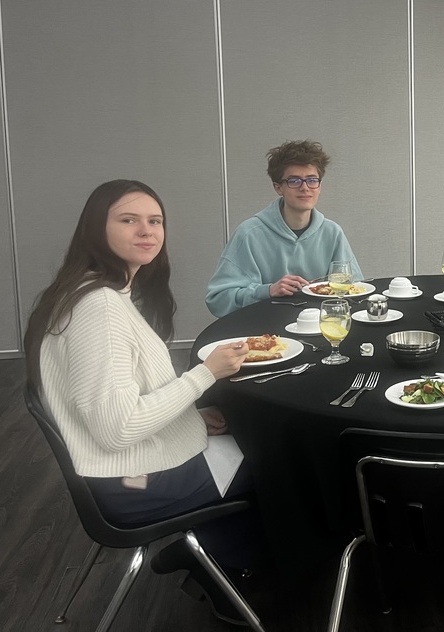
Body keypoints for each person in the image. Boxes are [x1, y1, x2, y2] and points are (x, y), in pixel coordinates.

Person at [24, 179, 260, 625]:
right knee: (279, 461)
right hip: (132, 484)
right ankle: (223, 570)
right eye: (128, 220)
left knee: (240, 438)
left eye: (155, 221)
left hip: (123, 469)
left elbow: (114, 401)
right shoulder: (100, 309)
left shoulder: (89, 291)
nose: (146, 231)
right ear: (97, 228)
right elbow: (117, 428)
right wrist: (205, 376)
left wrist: (187, 416)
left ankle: (209, 555)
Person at [206, 139, 362, 317]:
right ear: (278, 187)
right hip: (265, 335)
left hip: (320, 331)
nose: (305, 188)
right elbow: (217, 300)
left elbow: (356, 290)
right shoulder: (249, 234)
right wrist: (268, 291)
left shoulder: (333, 233)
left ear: (319, 186)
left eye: (312, 180)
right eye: (294, 181)